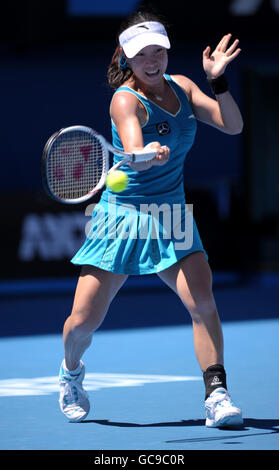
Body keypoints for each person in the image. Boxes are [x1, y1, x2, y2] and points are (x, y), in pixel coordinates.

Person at [59, 9, 244, 428]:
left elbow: (232, 126)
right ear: (126, 58)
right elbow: (133, 147)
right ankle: (71, 371)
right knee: (82, 322)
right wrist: (144, 156)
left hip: (171, 213)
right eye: (142, 54)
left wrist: (218, 81)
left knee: (203, 302)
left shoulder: (184, 87)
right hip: (122, 217)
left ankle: (217, 394)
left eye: (158, 51)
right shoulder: (125, 99)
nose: (152, 60)